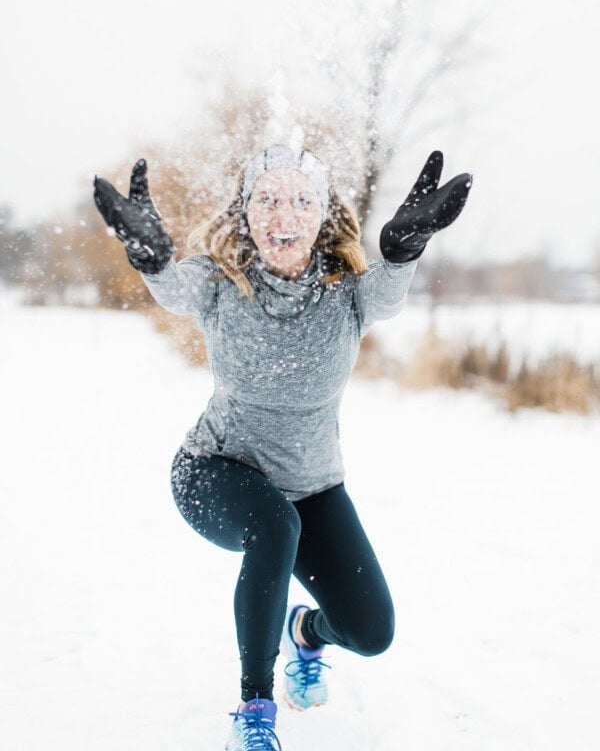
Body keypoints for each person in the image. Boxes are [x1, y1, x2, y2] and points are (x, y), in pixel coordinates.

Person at [93, 144, 472, 750]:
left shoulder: (349, 294)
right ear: (246, 214)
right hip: (214, 470)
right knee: (274, 526)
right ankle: (255, 709)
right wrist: (151, 256)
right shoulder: (221, 284)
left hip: (312, 485)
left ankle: (308, 632)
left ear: (323, 215)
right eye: (266, 199)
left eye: (301, 200)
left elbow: (390, 293)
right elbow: (173, 289)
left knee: (371, 631)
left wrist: (404, 249)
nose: (282, 214)